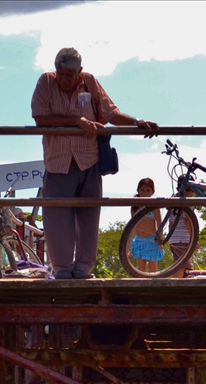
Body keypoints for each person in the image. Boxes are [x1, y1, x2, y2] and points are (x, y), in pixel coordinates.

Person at [32, 47, 158, 279]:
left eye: (69, 75)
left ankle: (82, 269)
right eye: (60, 73)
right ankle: (62, 269)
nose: (63, 79)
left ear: (79, 72)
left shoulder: (90, 82)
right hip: (58, 162)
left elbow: (111, 114)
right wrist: (76, 121)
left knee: (89, 216)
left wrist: (137, 122)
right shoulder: (46, 82)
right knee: (57, 218)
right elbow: (40, 117)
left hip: (88, 160)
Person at [129, 178, 163, 273]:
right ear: (138, 191)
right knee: (140, 269)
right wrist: (128, 243)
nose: (145, 193)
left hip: (152, 240)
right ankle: (141, 287)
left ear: (153, 192)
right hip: (139, 240)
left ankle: (153, 287)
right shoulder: (134, 207)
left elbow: (160, 223)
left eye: (148, 190)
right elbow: (131, 226)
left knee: (153, 269)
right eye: (142, 190)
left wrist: (160, 240)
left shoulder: (154, 207)